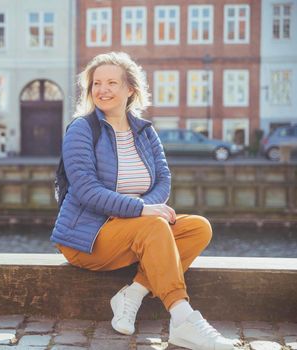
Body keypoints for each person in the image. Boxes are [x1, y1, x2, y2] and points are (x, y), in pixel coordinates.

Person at [51, 52, 239, 350]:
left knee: (198, 228)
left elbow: (163, 180)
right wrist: (140, 210)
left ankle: (133, 294)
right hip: (86, 237)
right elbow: (86, 189)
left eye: (112, 82)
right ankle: (182, 318)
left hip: (133, 229)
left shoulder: (145, 132)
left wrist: (144, 211)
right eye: (96, 83)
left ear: (130, 89)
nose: (103, 89)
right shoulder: (82, 129)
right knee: (153, 226)